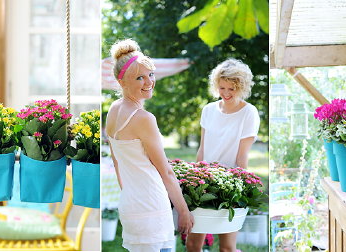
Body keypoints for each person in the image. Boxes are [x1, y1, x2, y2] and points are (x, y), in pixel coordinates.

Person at [105, 39, 194, 252]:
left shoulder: (113, 110)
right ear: (121, 82)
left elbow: (117, 162)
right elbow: (166, 171)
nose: (149, 82)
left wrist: (130, 195)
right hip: (151, 205)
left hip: (130, 203)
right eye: (139, 77)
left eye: (150, 75)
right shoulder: (143, 118)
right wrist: (183, 211)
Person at [186, 59, 261, 252]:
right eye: (222, 88)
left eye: (232, 89)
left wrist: (240, 189)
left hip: (230, 185)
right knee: (193, 244)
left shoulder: (249, 113)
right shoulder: (208, 110)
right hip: (204, 184)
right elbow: (202, 149)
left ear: (242, 87)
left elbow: (242, 156)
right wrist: (195, 179)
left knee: (227, 248)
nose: (226, 93)